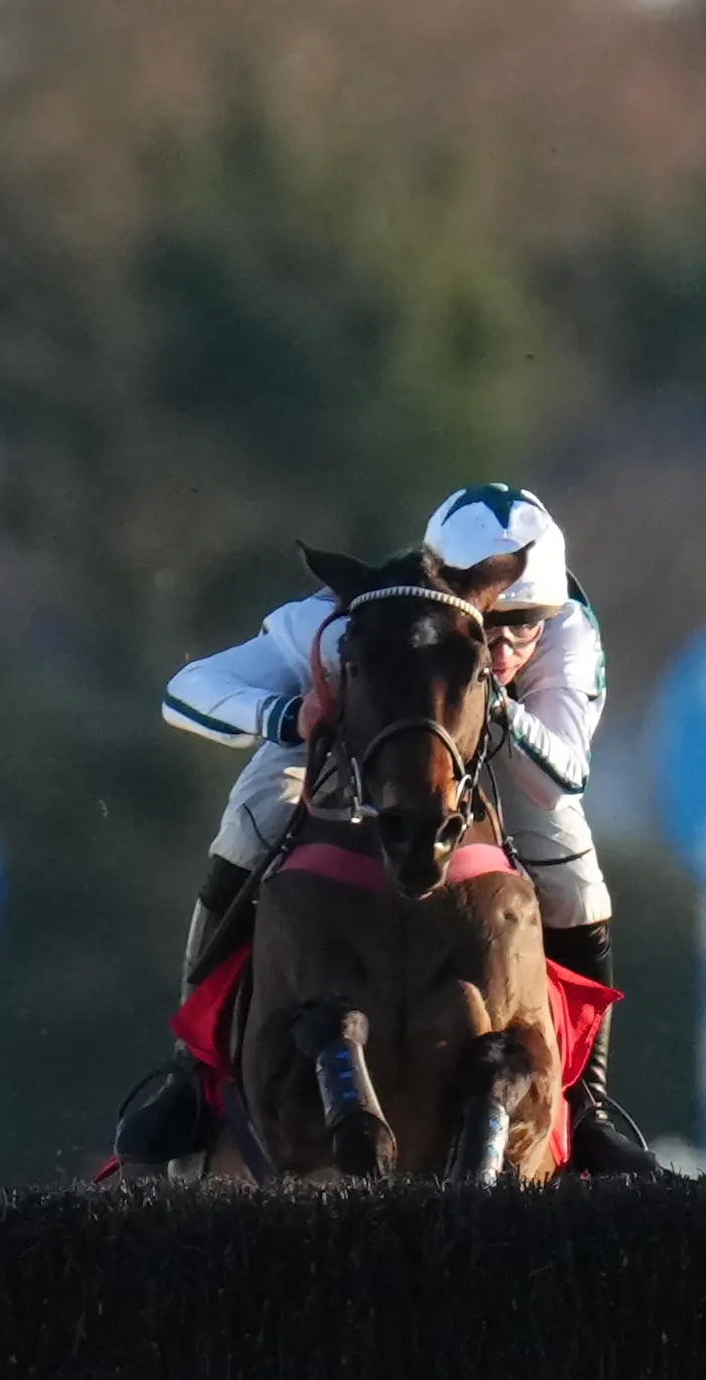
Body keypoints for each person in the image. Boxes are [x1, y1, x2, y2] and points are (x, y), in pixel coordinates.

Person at [116, 482, 657, 1173]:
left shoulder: (570, 632)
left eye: (524, 624)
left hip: (501, 752)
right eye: (489, 623)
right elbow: (186, 691)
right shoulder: (335, 620)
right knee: (247, 828)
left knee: (578, 882)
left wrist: (490, 700)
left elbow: (564, 774)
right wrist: (288, 715)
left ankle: (588, 1108)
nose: (504, 645)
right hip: (347, 735)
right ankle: (190, 1074)